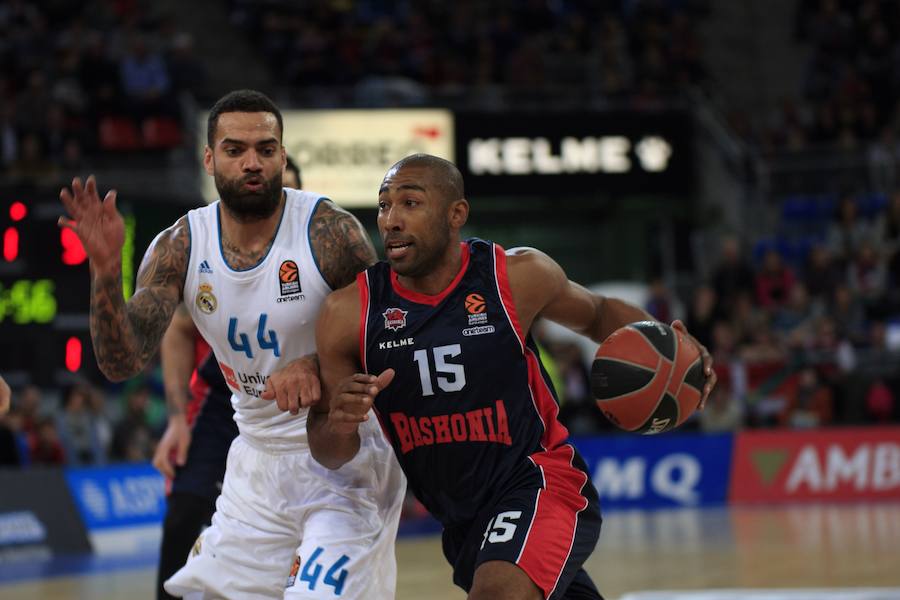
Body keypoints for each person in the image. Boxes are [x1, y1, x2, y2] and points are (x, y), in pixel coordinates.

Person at [307, 154, 716, 600]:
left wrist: (669, 346)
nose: (392, 220)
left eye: (410, 203)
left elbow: (597, 313)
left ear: (455, 214)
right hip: (463, 522)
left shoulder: (515, 277)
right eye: (385, 205)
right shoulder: (349, 313)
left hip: (538, 484)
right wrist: (339, 424)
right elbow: (330, 452)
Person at [58, 89, 404, 599]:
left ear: (283, 156)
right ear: (209, 158)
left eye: (266, 149)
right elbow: (120, 361)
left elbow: (390, 334)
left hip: (343, 454)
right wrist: (105, 274)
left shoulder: (329, 233)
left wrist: (313, 362)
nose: (252, 163)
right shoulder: (180, 244)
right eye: (235, 149)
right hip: (256, 462)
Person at [152, 155, 302, 600]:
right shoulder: (217, 248)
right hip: (226, 398)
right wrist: (177, 417)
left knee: (290, 534)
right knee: (184, 510)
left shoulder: (315, 250)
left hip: (300, 406)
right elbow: (177, 330)